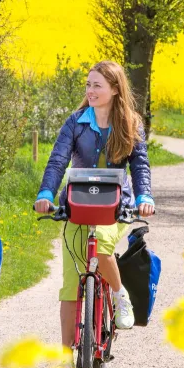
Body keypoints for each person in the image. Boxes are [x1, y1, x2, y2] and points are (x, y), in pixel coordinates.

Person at [34, 60, 155, 348]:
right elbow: (57, 161)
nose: (90, 90)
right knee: (69, 286)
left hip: (115, 207)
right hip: (77, 205)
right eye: (88, 85)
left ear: (115, 89)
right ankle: (66, 357)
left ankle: (117, 293)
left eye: (97, 85)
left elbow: (140, 166)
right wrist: (46, 194)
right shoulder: (75, 122)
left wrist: (144, 197)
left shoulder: (130, 123)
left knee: (101, 242)